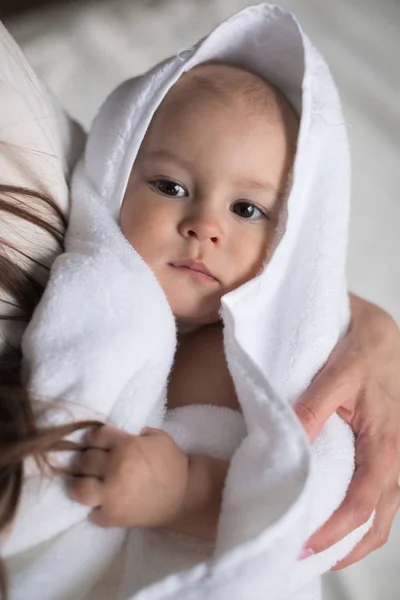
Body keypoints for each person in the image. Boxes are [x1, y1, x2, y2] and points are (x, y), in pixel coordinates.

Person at [0, 10, 400, 596]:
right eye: (171, 187)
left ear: (290, 240)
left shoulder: (269, 356)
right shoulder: (90, 295)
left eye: (246, 209)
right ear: (113, 181)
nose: (204, 225)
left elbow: (314, 507)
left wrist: (183, 490)